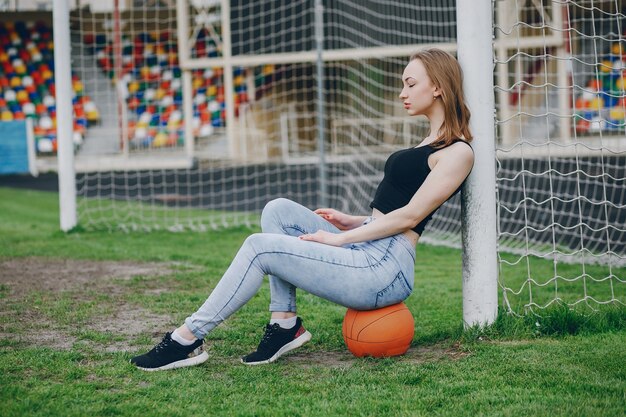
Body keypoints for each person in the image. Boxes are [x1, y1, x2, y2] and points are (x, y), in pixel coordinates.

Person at [130, 48, 474, 371]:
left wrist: (340, 239)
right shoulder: (427, 143)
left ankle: (185, 338)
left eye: (410, 84)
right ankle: (285, 324)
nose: (402, 92)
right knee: (278, 210)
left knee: (257, 246)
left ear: (440, 87)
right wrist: (351, 221)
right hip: (368, 245)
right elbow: (393, 212)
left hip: (385, 270)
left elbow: (412, 217)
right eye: (402, 84)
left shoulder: (457, 152)